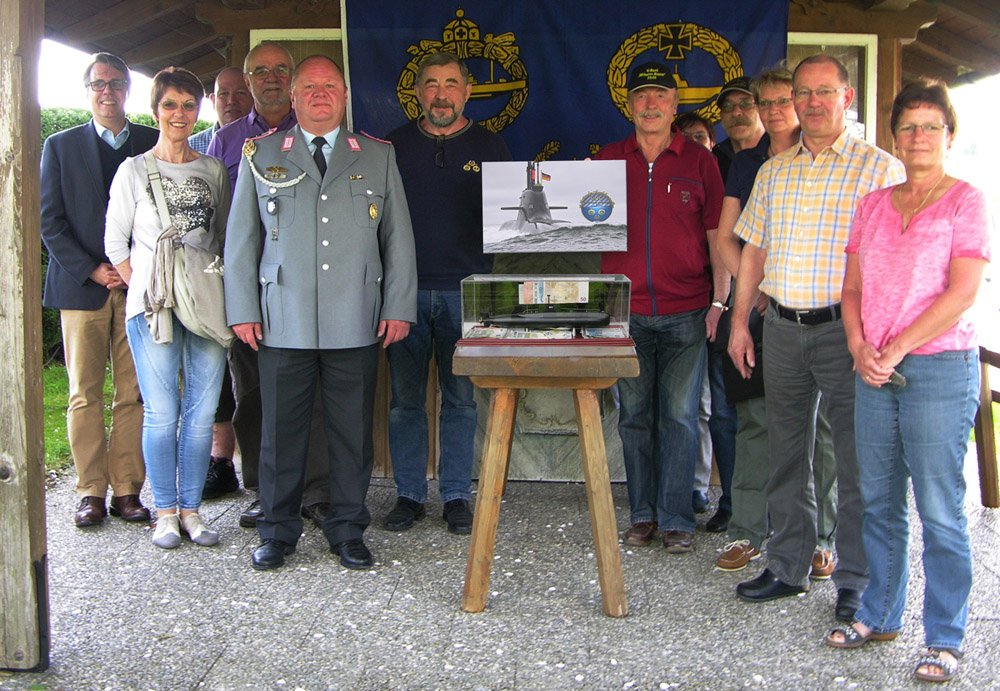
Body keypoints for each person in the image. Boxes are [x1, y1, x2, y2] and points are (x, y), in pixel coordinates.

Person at [824, 79, 991, 684]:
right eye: (909, 126)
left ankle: (944, 638)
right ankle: (880, 613)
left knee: (941, 510)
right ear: (894, 136)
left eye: (931, 126)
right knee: (876, 501)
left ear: (949, 136)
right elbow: (852, 290)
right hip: (873, 368)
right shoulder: (873, 203)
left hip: (938, 369)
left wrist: (894, 347)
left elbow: (963, 291)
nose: (919, 136)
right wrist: (858, 346)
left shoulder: (964, 201)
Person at [727, 54, 904, 620]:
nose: (811, 102)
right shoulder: (775, 170)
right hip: (780, 327)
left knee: (853, 460)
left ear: (846, 98)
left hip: (845, 334)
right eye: (803, 93)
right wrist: (738, 323)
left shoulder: (880, 169)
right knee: (786, 452)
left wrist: (880, 338)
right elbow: (753, 250)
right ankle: (787, 565)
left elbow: (897, 261)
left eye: (824, 91)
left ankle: (854, 577)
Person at [224, 55, 417, 571]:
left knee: (351, 433)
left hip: (355, 315)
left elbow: (397, 238)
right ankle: (278, 532)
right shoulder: (261, 153)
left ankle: (348, 528)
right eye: (309, 86)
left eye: (330, 85)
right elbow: (241, 239)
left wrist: (399, 304)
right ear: (293, 95)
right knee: (280, 433)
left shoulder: (376, 156)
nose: (319, 94)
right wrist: (242, 309)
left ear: (345, 94)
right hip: (281, 318)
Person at [712, 66, 838, 577]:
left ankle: (821, 537)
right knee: (756, 420)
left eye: (782, 100)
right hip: (759, 307)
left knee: (822, 428)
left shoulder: (833, 160)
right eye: (765, 103)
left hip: (820, 311)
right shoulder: (748, 164)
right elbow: (725, 237)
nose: (773, 111)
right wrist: (752, 287)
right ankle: (748, 529)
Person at [596, 61, 724, 554]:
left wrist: (718, 299)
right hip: (624, 311)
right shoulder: (607, 160)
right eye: (641, 96)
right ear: (629, 105)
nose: (650, 105)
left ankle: (676, 519)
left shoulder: (699, 161)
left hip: (687, 310)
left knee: (678, 416)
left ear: (674, 105)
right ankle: (643, 514)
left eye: (660, 96)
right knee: (634, 415)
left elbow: (716, 235)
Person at [383, 52, 511, 535]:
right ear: (417, 91)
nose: (441, 93)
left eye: (451, 84)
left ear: (467, 90)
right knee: (405, 401)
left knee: (461, 401)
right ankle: (409, 495)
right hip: (404, 293)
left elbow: (512, 220)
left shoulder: (490, 144)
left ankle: (456, 494)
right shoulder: (393, 145)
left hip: (468, 293)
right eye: (432, 84)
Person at [104, 67, 231, 549]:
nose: (180, 114)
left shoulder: (212, 170)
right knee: (161, 412)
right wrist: (150, 290)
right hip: (151, 308)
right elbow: (115, 241)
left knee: (200, 414)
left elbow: (218, 238)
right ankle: (164, 513)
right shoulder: (132, 170)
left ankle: (193, 510)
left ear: (199, 110)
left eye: (189, 105)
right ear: (155, 110)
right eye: (170, 104)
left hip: (204, 303)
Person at [207, 43, 331, 529]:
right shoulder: (228, 141)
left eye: (282, 69)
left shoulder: (319, 135)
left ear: (295, 79)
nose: (272, 78)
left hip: (310, 290)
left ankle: (317, 492)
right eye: (261, 70)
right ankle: (263, 489)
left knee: (316, 392)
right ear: (248, 78)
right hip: (253, 292)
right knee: (254, 394)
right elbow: (223, 224)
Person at [41, 52, 158, 528]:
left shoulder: (153, 142)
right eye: (97, 84)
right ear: (87, 91)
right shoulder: (60, 146)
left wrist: (133, 268)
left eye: (114, 82)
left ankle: (127, 490)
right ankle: (90, 490)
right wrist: (93, 269)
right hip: (81, 287)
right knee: (83, 394)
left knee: (133, 393)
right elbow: (51, 221)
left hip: (141, 287)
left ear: (127, 88)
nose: (106, 90)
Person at [187, 66, 252, 499]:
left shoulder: (283, 134)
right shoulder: (195, 146)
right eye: (221, 93)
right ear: (212, 100)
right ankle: (220, 462)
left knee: (258, 379)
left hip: (269, 273)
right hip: (217, 272)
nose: (230, 99)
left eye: (238, 92)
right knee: (219, 372)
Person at [712, 77, 766, 183]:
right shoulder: (714, 159)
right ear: (721, 116)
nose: (736, 112)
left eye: (745, 104)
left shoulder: (778, 153)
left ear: (762, 109)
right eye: (727, 106)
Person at [188, 67, 253, 154]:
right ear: (213, 101)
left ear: (253, 98)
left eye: (240, 93)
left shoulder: (264, 143)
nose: (231, 101)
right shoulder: (190, 148)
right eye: (223, 94)